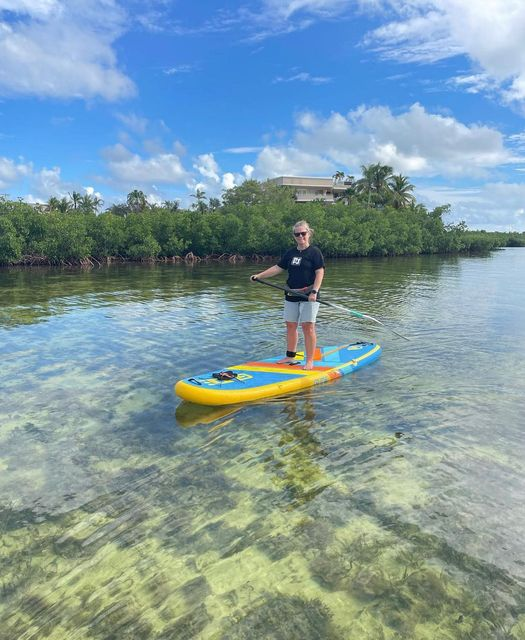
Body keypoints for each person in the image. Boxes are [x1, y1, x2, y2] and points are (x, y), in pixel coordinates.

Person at [251, 220, 325, 370]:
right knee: (290, 325)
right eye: (297, 234)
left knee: (308, 326)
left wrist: (314, 291)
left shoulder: (314, 252)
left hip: (309, 295)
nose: (300, 236)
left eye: (303, 233)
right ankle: (290, 355)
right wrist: (259, 276)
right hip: (291, 294)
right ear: (294, 236)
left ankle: (309, 360)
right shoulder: (290, 253)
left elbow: (320, 272)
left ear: (308, 233)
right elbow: (278, 268)